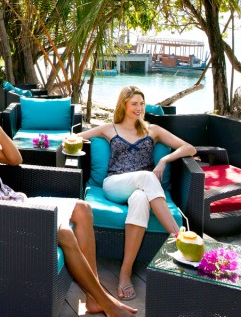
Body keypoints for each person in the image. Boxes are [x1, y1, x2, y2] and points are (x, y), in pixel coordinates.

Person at [0, 81, 137, 317]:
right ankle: (109, 305)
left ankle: (94, 299)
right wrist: (21, 212)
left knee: (83, 209)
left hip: (15, 202)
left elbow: (15, 159)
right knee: (64, 232)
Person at [72, 85, 196, 301]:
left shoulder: (153, 130)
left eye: (141, 103)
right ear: (124, 105)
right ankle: (179, 237)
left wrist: (164, 160)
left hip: (141, 190)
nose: (139, 108)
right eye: (134, 104)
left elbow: (189, 148)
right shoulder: (109, 129)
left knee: (140, 199)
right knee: (147, 176)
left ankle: (125, 272)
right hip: (114, 185)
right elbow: (74, 137)